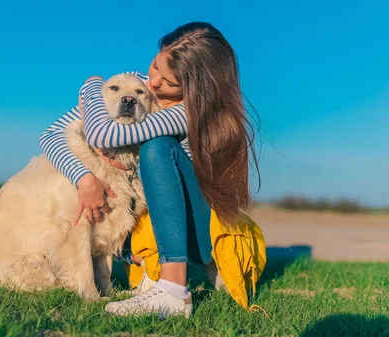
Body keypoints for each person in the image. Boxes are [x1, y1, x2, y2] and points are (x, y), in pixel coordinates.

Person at [39, 21, 261, 318]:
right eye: (156, 66)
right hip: (151, 220)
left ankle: (173, 290)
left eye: (169, 83)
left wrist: (93, 85)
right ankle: (141, 266)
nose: (153, 83)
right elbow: (51, 134)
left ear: (194, 88)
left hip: (198, 229)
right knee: (121, 181)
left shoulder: (186, 112)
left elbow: (102, 136)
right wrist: (83, 178)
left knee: (156, 147)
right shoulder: (136, 84)